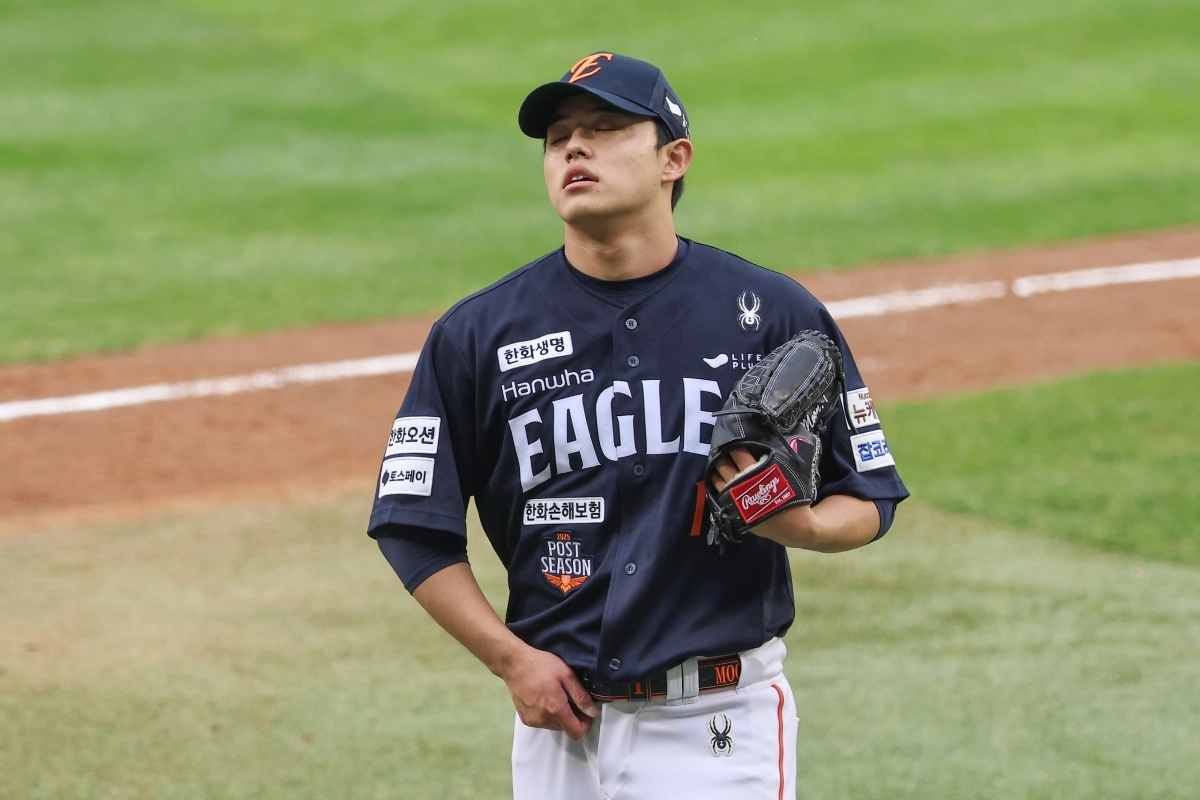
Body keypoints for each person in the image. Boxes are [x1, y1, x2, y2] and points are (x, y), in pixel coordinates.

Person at [368, 52, 908, 799]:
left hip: (717, 721)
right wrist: (510, 659)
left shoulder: (772, 313)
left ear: (672, 160)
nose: (574, 148)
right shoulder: (477, 335)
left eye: (605, 128)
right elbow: (410, 523)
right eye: (558, 138)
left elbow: (871, 493)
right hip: (559, 728)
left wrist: (804, 526)